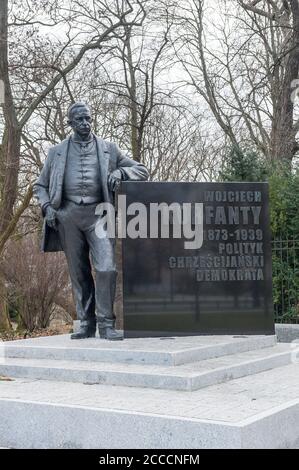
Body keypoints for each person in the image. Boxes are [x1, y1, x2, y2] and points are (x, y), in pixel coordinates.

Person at [33, 102, 148, 340]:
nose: (85, 124)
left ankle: (107, 324)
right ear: (70, 123)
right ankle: (86, 323)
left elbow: (141, 170)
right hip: (68, 216)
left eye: (88, 119)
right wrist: (47, 207)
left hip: (99, 215)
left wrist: (120, 172)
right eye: (80, 120)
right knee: (79, 272)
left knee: (106, 267)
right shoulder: (57, 151)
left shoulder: (109, 149)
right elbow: (40, 185)